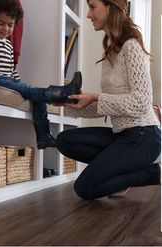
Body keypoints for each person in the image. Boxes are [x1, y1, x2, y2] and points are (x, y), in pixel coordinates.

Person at [56, 0, 161, 199]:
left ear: (111, 7)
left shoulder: (131, 46)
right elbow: (107, 106)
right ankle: (118, 173)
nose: (88, 15)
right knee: (64, 141)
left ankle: (155, 173)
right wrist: (68, 104)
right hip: (122, 134)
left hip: (144, 136)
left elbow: (142, 102)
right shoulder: (111, 51)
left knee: (85, 188)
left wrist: (95, 96)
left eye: (93, 7)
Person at [0, 0, 82, 150]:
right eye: (1, 23)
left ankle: (43, 136)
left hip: (8, 80)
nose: (5, 28)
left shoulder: (8, 45)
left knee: (36, 96)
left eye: (10, 25)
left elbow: (11, 70)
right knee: (31, 91)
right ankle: (63, 94)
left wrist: (21, 85)